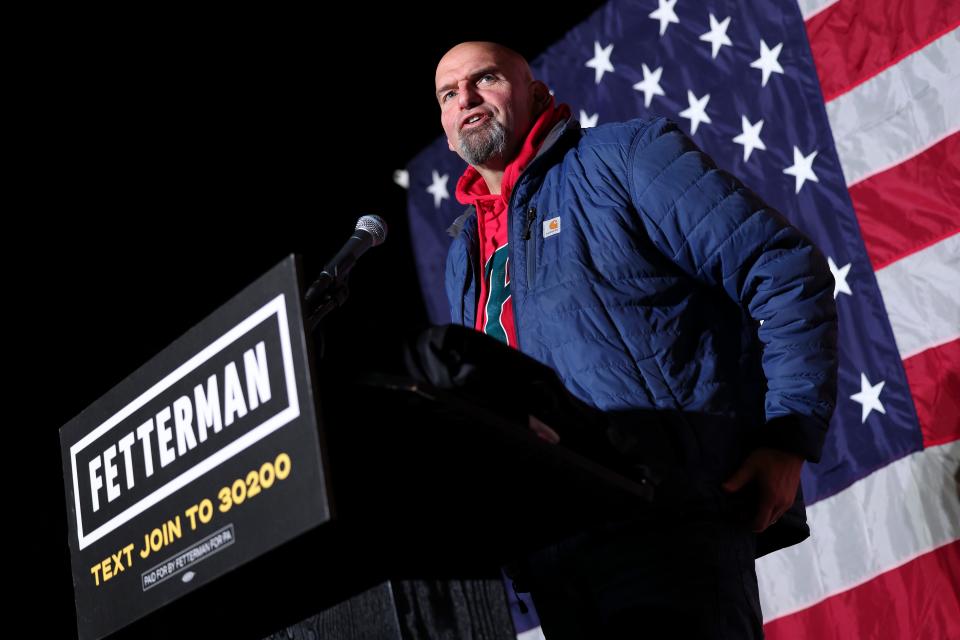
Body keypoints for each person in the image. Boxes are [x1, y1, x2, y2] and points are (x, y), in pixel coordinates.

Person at [434, 41, 838, 638]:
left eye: (484, 79)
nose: (466, 97)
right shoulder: (462, 257)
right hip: (554, 554)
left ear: (536, 93)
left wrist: (788, 438)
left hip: (670, 522)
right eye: (448, 93)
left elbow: (782, 268)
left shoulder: (622, 158)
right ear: (445, 128)